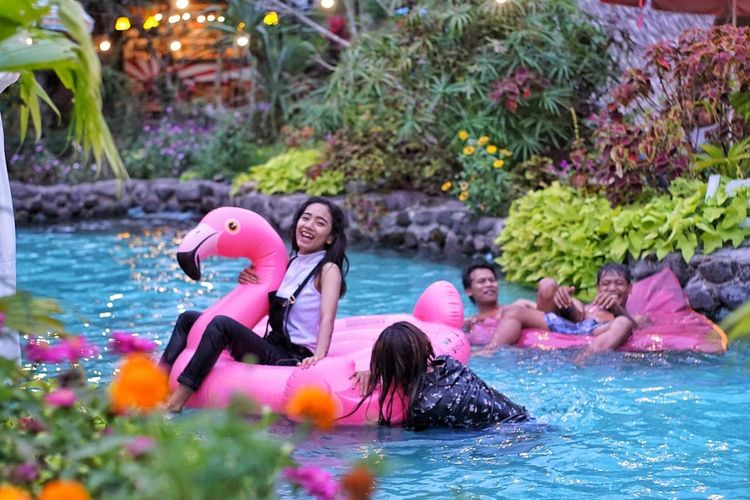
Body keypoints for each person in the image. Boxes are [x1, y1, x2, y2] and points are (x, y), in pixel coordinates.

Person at [160, 197, 349, 412]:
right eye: (306, 218)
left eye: (320, 223)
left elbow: (327, 317)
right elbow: (267, 303)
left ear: (330, 237)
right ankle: (157, 384)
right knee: (188, 319)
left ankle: (175, 404)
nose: (309, 225)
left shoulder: (328, 270)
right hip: (271, 344)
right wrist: (250, 279)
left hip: (292, 356)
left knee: (221, 324)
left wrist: (319, 358)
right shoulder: (291, 264)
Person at [350, 321, 530, 431]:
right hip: (523, 418)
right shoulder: (448, 363)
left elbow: (398, 431)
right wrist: (378, 372)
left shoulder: (424, 406)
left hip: (508, 434)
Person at [481, 263, 648, 356]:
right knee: (542, 288)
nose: (612, 288)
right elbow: (523, 304)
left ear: (630, 288)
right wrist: (564, 300)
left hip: (597, 330)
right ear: (598, 288)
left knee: (623, 322)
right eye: (606, 284)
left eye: (619, 284)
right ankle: (490, 350)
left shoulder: (636, 317)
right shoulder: (588, 307)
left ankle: (585, 358)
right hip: (572, 324)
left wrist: (616, 309)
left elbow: (635, 327)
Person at [461, 262, 536, 345]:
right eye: (481, 281)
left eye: (492, 280)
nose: (489, 284)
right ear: (469, 290)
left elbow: (546, 318)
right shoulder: (468, 324)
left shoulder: (520, 306)